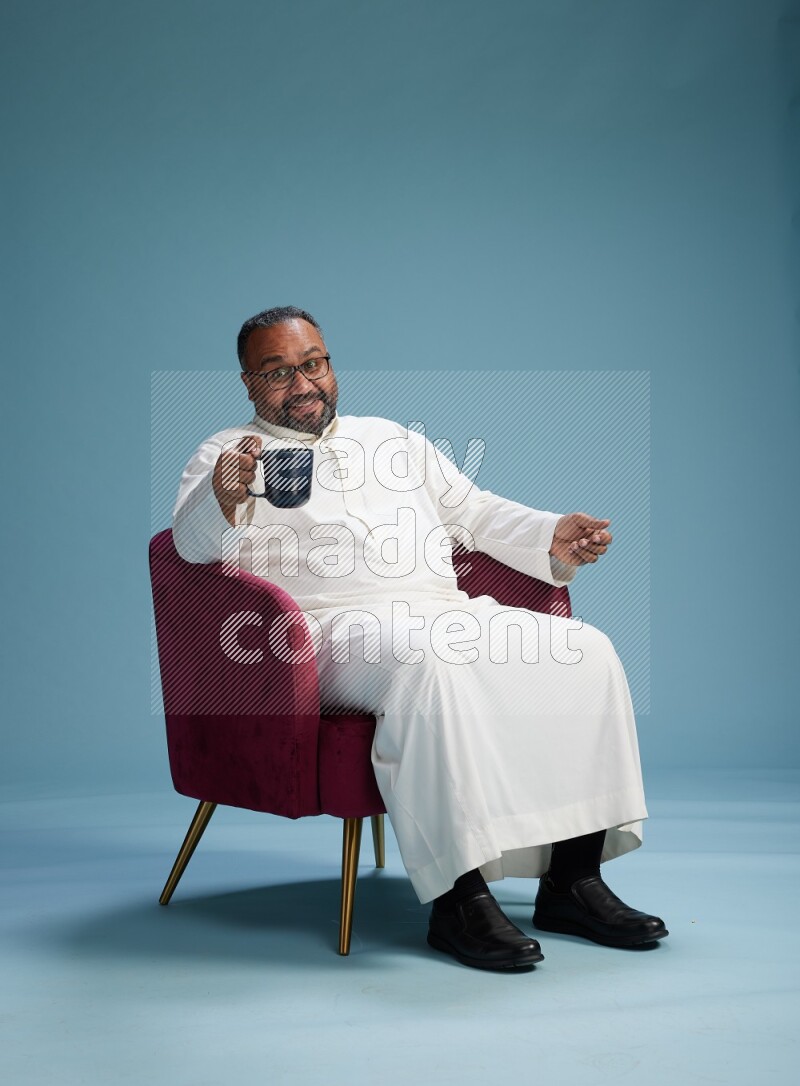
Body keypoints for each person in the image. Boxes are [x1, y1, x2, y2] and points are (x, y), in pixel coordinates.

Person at [172, 304, 668, 971]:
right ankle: (459, 900)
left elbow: (474, 512)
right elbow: (187, 546)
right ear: (249, 383)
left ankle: (573, 881)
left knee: (585, 651)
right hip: (324, 632)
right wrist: (224, 496)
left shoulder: (392, 440)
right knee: (429, 664)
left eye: (312, 363)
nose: (302, 383)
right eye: (278, 371)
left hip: (439, 607)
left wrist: (552, 533)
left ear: (329, 363)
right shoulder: (228, 452)